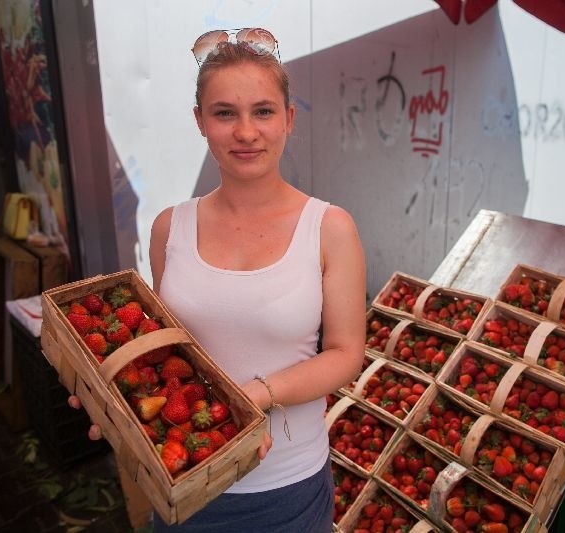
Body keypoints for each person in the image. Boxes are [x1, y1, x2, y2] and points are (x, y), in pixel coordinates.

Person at [71, 28, 366, 532]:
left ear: (289, 120)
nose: (246, 132)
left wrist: (252, 396)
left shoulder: (329, 227)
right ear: (200, 122)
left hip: (285, 489)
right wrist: (114, 392)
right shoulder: (171, 227)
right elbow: (168, 349)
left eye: (264, 111)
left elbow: (345, 355)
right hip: (181, 479)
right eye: (224, 112)